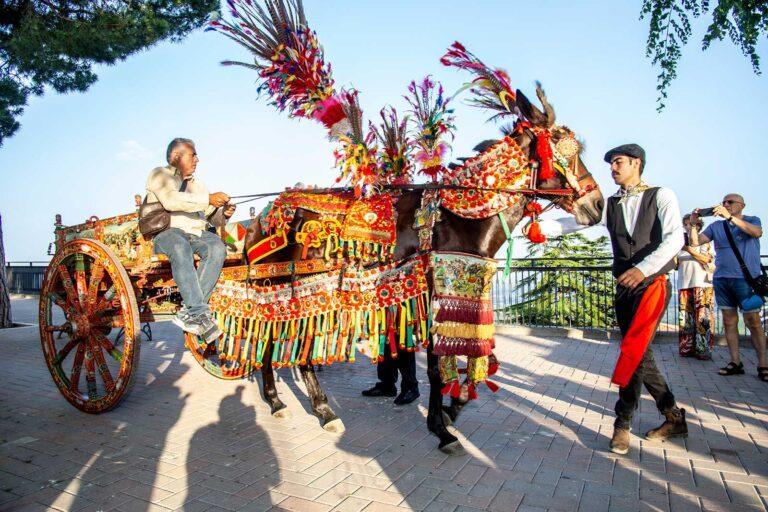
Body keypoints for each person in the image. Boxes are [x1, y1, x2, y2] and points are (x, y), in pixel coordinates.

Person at [536, 143, 687, 455]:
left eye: (618, 162)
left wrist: (643, 269)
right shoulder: (612, 203)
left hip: (653, 285)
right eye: (611, 164)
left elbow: (676, 239)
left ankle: (622, 425)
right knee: (638, 353)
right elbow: (578, 221)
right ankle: (673, 416)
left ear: (636, 163)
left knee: (634, 353)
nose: (612, 168)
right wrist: (541, 230)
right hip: (624, 288)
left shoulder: (661, 195)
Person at [146, 138, 235, 343]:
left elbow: (210, 216)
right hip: (167, 232)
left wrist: (224, 212)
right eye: (192, 154)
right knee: (179, 245)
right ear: (177, 157)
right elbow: (170, 200)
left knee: (217, 247)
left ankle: (191, 312)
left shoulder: (198, 185)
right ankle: (197, 311)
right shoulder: (160, 174)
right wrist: (208, 199)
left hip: (195, 233)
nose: (197, 159)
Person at [689, 194, 767, 381]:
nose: (726, 205)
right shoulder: (717, 226)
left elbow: (756, 232)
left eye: (730, 202)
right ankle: (735, 362)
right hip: (722, 279)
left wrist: (730, 217)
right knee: (729, 322)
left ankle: (763, 364)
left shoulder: (751, 220)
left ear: (742, 205)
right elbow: (695, 242)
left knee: (753, 322)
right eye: (724, 202)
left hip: (745, 280)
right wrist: (693, 224)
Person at [677, 214, 716, 359]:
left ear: (698, 226)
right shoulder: (680, 244)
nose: (687, 227)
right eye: (685, 224)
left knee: (702, 319)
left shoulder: (704, 243)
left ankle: (703, 350)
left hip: (702, 284)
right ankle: (687, 349)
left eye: (690, 224)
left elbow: (706, 259)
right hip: (684, 284)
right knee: (686, 319)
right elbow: (676, 264)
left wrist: (689, 250)